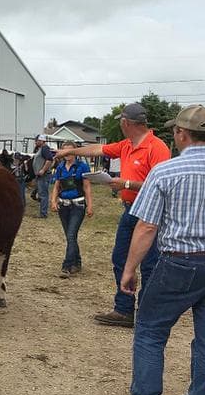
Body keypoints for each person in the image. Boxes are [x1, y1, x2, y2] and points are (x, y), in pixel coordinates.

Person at [109, 105, 205, 395]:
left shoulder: (165, 172)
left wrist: (129, 269)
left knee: (150, 328)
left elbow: (147, 226)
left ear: (181, 134)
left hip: (180, 261)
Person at [55, 102, 170, 328]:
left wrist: (126, 183)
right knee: (120, 258)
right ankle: (124, 309)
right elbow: (98, 149)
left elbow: (162, 185)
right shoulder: (127, 145)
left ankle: (146, 313)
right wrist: (70, 151)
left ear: (126, 123)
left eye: (121, 122)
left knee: (149, 264)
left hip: (150, 213)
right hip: (130, 210)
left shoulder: (157, 148)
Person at [49, 141, 93, 277]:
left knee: (71, 235)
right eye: (65, 151)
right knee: (70, 236)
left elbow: (87, 187)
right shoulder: (60, 167)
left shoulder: (82, 166)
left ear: (75, 152)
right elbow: (56, 186)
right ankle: (77, 262)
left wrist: (90, 205)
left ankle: (66, 266)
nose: (67, 154)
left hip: (78, 205)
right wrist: (53, 201)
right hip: (63, 205)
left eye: (70, 151)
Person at [32, 134, 53, 218]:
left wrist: (43, 170)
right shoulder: (41, 149)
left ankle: (43, 214)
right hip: (40, 175)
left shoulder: (45, 148)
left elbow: (49, 159)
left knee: (43, 194)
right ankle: (42, 212)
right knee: (41, 193)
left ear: (41, 141)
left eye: (36, 141)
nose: (35, 142)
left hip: (44, 175)